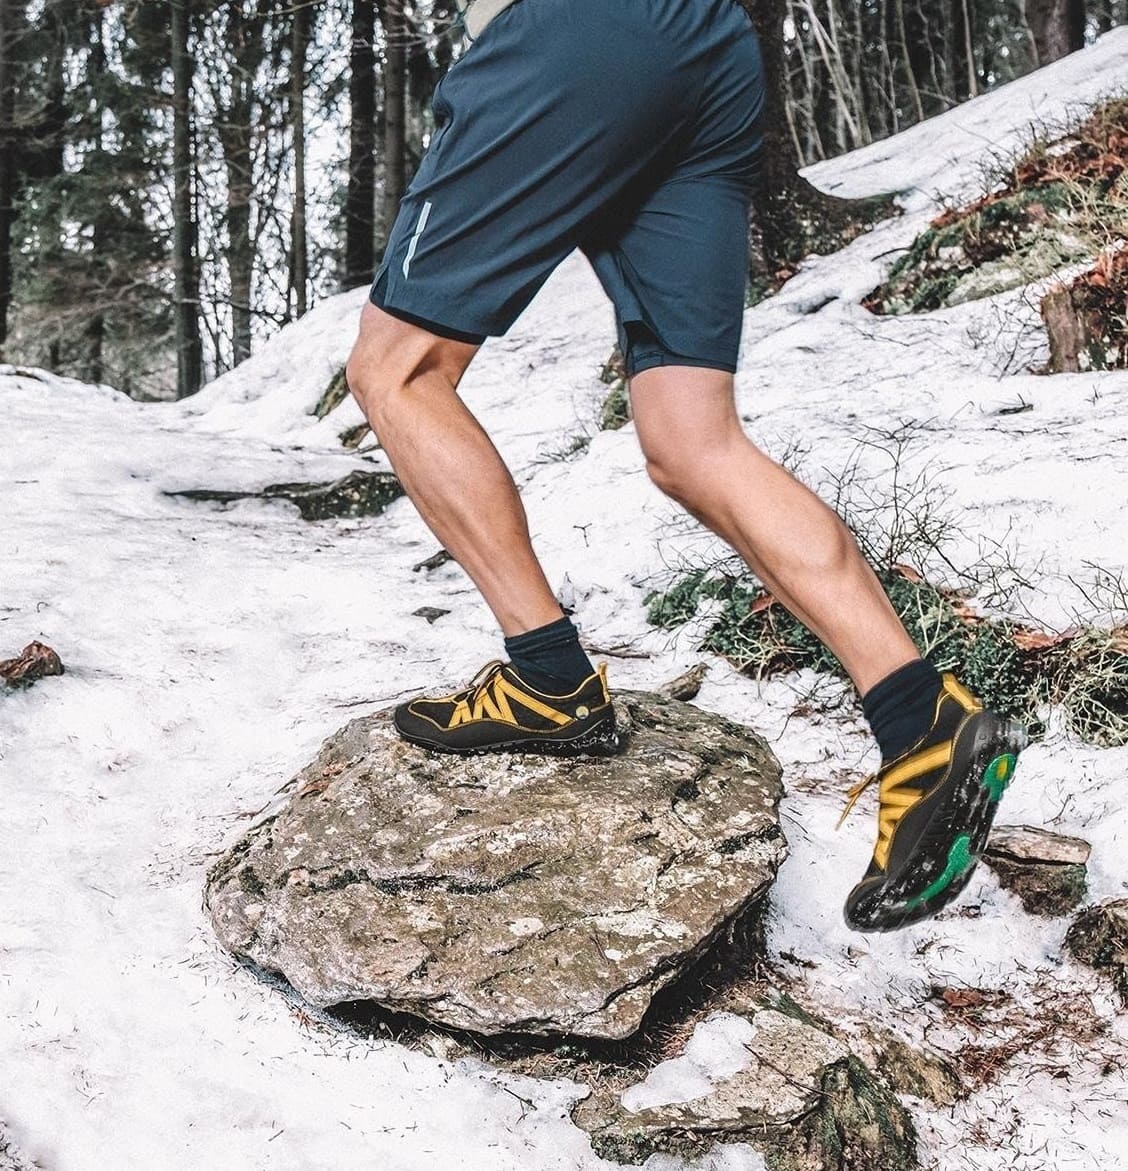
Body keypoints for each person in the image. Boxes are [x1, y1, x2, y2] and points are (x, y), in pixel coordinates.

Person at [344, 0, 1026, 932]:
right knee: (691, 439)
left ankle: (547, 677)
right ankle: (919, 719)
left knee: (397, 369)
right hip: (709, 47)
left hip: (571, 37)